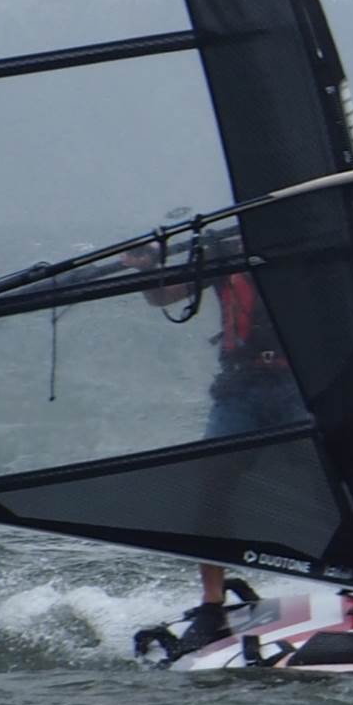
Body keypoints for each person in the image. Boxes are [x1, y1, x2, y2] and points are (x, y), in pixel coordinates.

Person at [128, 223, 300, 648]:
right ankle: (212, 602)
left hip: (303, 384)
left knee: (341, 473)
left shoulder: (310, 235)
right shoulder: (224, 248)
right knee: (211, 483)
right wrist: (147, 268)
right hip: (241, 386)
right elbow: (164, 296)